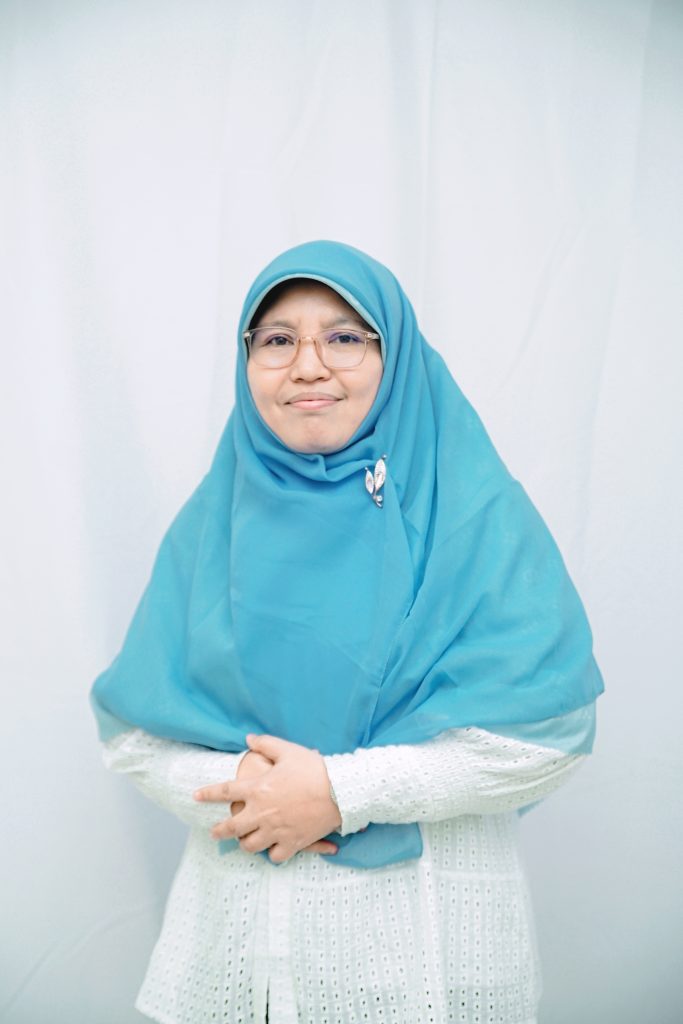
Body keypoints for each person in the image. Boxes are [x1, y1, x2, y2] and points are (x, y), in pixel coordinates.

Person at [91, 240, 604, 1024]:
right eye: (277, 339)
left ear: (393, 357)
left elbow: (546, 737)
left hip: (426, 969)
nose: (307, 366)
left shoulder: (476, 517)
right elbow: (135, 734)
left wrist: (339, 794)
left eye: (343, 336)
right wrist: (255, 794)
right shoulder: (212, 528)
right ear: (246, 360)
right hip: (240, 966)